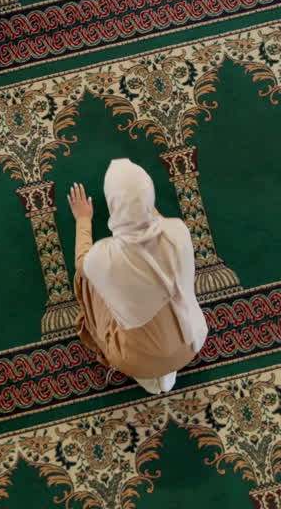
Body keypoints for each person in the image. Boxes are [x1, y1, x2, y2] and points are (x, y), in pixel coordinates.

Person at [65, 159, 209, 394]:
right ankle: (163, 371)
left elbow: (82, 262)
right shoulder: (177, 231)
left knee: (86, 279)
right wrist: (139, 203)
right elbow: (156, 221)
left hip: (135, 361)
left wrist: (83, 218)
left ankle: (150, 374)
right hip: (190, 343)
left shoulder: (104, 257)